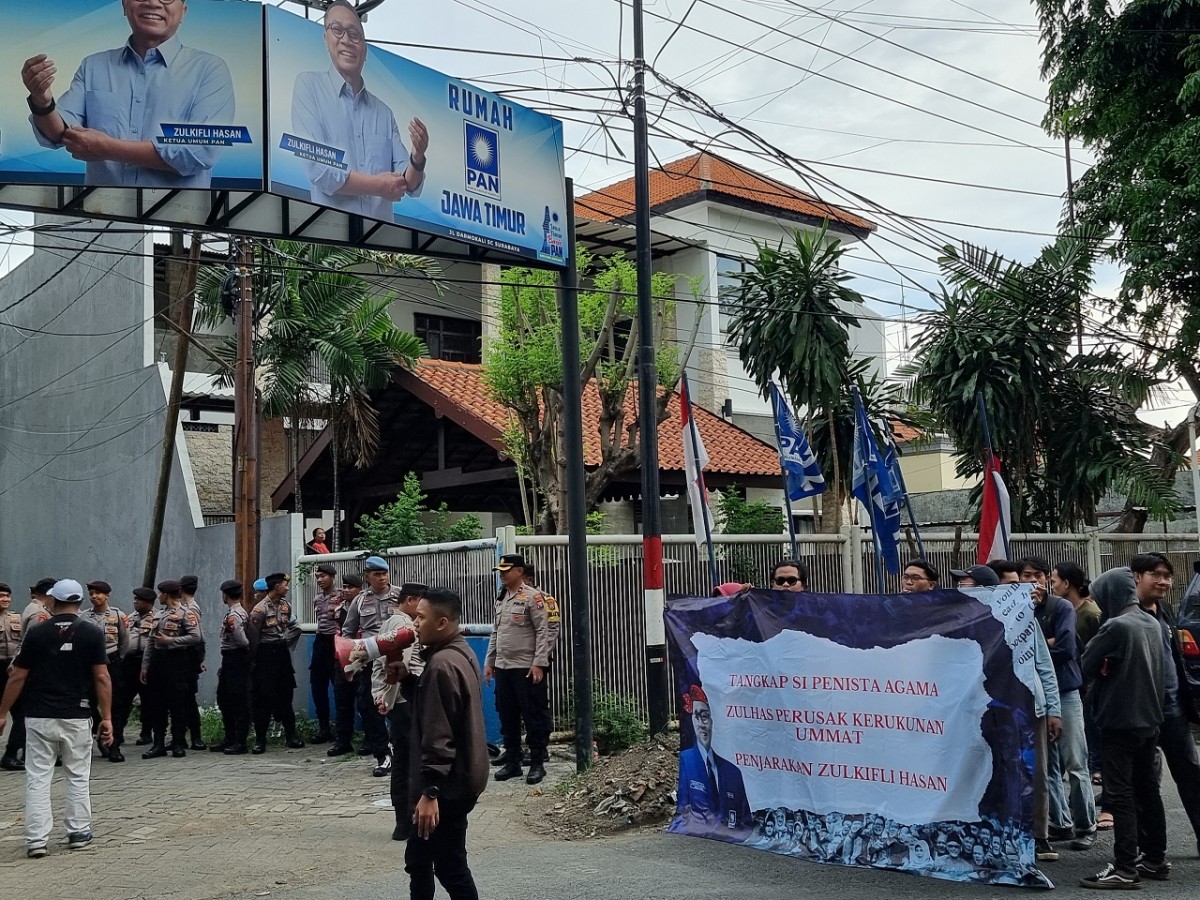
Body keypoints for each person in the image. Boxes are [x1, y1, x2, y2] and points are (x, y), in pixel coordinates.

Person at [21, 0, 236, 188]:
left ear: (184, 11)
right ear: (124, 5)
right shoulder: (93, 65)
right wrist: (42, 102)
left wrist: (108, 148)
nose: (152, 2)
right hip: (100, 218)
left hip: (179, 223)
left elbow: (200, 151)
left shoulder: (209, 69)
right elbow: (60, 133)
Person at [0, 579, 111, 858]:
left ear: (52, 600)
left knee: (38, 777)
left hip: (38, 715)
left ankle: (36, 840)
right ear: (80, 601)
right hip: (77, 714)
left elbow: (19, 676)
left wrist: (2, 713)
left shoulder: (37, 633)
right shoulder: (92, 633)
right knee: (77, 774)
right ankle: (78, 832)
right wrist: (107, 718)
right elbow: (101, 676)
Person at [289, 0, 428, 220]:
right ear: (326, 39)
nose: (346, 40)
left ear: (365, 50)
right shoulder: (309, 86)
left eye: (354, 34)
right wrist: (378, 186)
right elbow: (319, 170)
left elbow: (408, 183)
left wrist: (418, 157)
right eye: (337, 30)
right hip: (331, 241)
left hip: (381, 246)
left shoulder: (383, 113)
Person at [1079, 567, 1169, 889]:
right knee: (1148, 790)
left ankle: (1125, 867)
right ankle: (1155, 858)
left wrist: (1103, 669)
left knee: (1120, 796)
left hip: (1119, 720)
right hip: (1150, 720)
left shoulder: (1116, 626)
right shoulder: (1151, 623)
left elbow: (1086, 665)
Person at [406, 587, 488, 900]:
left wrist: (430, 792)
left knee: (450, 866)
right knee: (419, 859)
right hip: (462, 778)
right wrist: (405, 680)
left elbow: (440, 735)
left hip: (447, 787)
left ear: (442, 623)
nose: (415, 623)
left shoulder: (441, 665)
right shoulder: (461, 651)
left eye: (421, 617)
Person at [1130, 552, 1200, 857]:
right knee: (1144, 784)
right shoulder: (1122, 614)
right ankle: (1151, 851)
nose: (1164, 581)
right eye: (1156, 575)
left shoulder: (1166, 612)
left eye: (1167, 576)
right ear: (1136, 577)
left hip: (1174, 711)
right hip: (1140, 716)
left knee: (1191, 778)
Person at [1033, 563, 1096, 849]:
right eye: (1025, 577)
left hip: (1067, 692)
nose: (1031, 582)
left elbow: (1067, 647)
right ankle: (1061, 823)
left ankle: (1087, 825)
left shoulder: (1061, 608)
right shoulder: (1020, 611)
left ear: (1047, 579)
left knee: (1075, 762)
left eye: (1040, 577)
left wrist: (1036, 648)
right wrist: (1046, 642)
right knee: (1049, 766)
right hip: (1038, 697)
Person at [484, 554, 561, 785]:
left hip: (526, 667)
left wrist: (539, 663)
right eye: (500, 570)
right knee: (507, 714)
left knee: (533, 715)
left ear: (519, 571)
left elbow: (544, 632)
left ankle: (537, 763)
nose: (502, 574)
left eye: (507, 570)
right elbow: (496, 633)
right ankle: (513, 762)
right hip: (504, 667)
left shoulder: (533, 597)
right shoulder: (501, 598)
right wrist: (489, 662)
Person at [369, 582, 426, 839]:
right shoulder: (404, 627)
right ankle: (409, 820)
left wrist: (381, 698)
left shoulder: (390, 622)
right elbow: (396, 669)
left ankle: (402, 822)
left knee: (402, 761)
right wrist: (389, 700)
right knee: (410, 761)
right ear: (412, 601)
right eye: (423, 604)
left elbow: (380, 667)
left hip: (396, 702)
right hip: (405, 701)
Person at [342, 556, 401, 764]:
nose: (382, 578)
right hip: (370, 661)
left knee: (399, 705)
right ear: (367, 577)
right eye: (377, 574)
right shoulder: (359, 601)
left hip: (397, 659)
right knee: (368, 705)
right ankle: (382, 754)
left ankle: (401, 748)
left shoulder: (400, 596)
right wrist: (354, 661)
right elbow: (348, 632)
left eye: (384, 573)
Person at [676, 683, 752, 833]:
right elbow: (683, 811)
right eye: (696, 718)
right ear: (692, 721)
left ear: (712, 721)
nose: (701, 725)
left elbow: (746, 823)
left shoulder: (733, 772)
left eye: (704, 717)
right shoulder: (687, 760)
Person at [140, 579, 201, 759]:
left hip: (177, 661)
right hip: (158, 662)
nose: (159, 596)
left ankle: (178, 742)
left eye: (160, 593)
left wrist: (171, 641)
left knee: (177, 704)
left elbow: (195, 637)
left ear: (166, 595)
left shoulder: (186, 613)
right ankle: (158, 743)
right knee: (157, 703)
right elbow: (151, 641)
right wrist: (145, 665)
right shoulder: (157, 615)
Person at [247, 572, 304, 754]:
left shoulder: (286, 606)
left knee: (285, 696)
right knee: (263, 699)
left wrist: (284, 642)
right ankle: (260, 739)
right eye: (284, 585)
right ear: (276, 587)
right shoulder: (260, 610)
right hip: (265, 655)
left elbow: (295, 628)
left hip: (281, 654)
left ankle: (291, 736)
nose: (287, 588)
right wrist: (253, 661)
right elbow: (253, 638)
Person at [81, 581, 129, 762]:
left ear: (107, 596)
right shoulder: (83, 617)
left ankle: (114, 746)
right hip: (90, 665)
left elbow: (125, 642)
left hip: (112, 661)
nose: (94, 597)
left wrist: (117, 659)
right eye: (92, 593)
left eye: (98, 593)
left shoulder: (118, 616)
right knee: (89, 703)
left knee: (116, 705)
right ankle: (100, 736)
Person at [115, 588, 157, 756]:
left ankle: (146, 732)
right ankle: (119, 731)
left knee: (148, 699)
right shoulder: (129, 618)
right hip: (130, 662)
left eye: (139, 599)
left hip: (147, 662)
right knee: (123, 698)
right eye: (135, 599)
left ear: (148, 602)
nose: (135, 602)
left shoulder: (156, 617)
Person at [211, 579, 250, 755]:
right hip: (231, 660)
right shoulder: (237, 612)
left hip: (236, 659)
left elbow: (242, 640)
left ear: (225, 595)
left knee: (237, 700)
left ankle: (239, 741)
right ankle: (230, 738)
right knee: (225, 698)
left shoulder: (234, 615)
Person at [328, 573, 363, 757]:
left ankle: (370, 741)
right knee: (342, 701)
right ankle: (343, 740)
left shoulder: (366, 607)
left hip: (363, 658)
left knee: (366, 702)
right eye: (345, 587)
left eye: (351, 587)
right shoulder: (339, 610)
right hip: (342, 659)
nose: (347, 590)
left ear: (360, 589)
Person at [309, 563, 340, 744]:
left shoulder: (341, 596)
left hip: (336, 642)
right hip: (320, 641)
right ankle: (324, 728)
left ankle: (342, 729)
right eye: (318, 577)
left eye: (323, 576)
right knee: (317, 685)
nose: (320, 580)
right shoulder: (317, 599)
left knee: (339, 685)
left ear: (332, 577)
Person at [178, 575, 206, 751]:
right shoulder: (185, 607)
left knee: (188, 699)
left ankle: (196, 737)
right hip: (186, 657)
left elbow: (198, 637)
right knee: (182, 698)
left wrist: (199, 659)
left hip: (189, 658)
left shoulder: (191, 608)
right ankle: (181, 734)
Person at [0, 583, 26, 771]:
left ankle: (11, 754)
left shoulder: (17, 618)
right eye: (1, 596)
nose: (5, 600)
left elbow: (23, 642)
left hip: (12, 669)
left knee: (22, 714)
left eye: (8, 596)